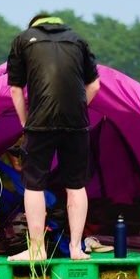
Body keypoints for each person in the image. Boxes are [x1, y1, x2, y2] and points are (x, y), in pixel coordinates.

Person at [6, 13, 100, 261]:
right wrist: (79, 110)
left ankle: (37, 250)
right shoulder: (79, 41)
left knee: (34, 184)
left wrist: (26, 122)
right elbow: (95, 86)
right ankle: (77, 249)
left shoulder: (23, 40)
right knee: (76, 185)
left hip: (41, 123)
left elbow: (15, 88)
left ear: (33, 26)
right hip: (76, 124)